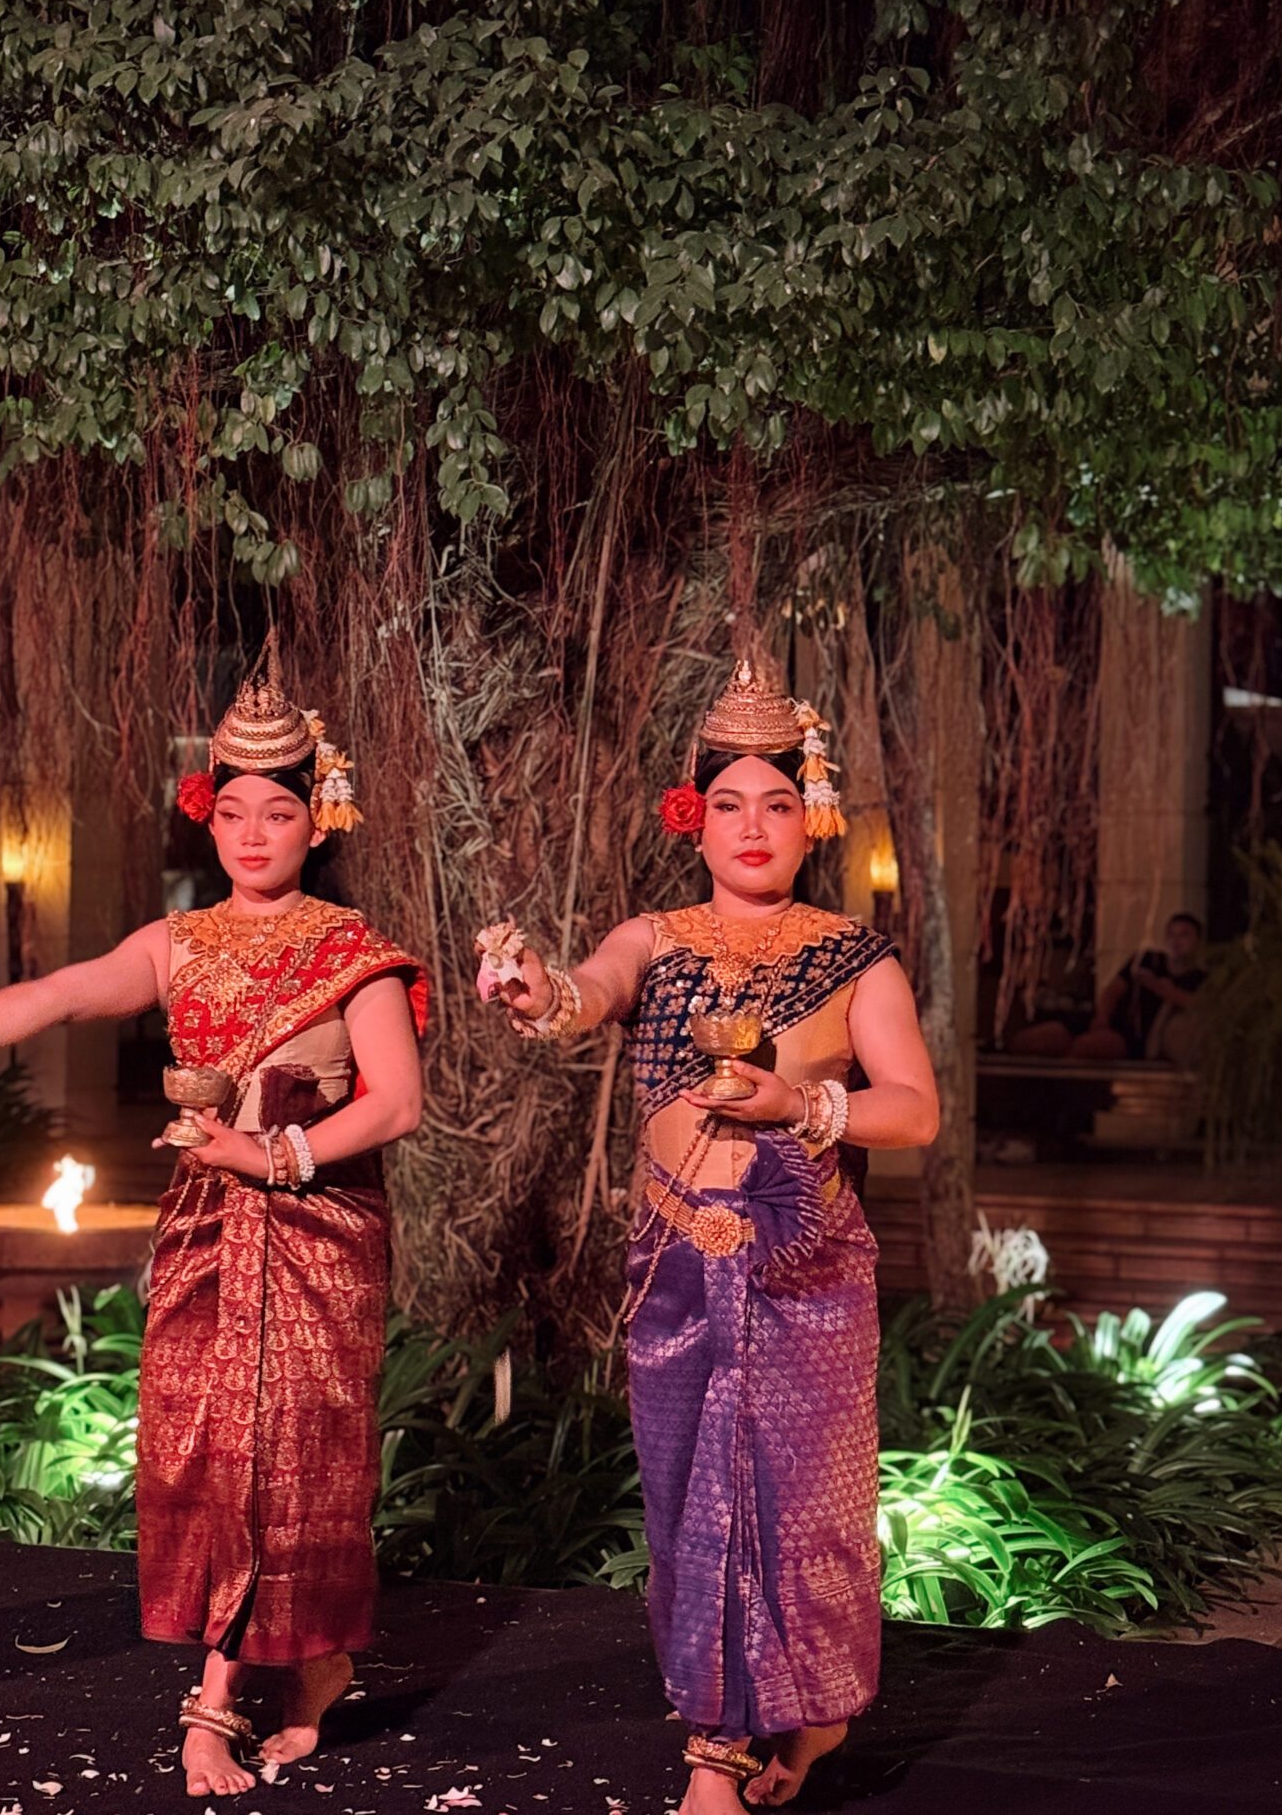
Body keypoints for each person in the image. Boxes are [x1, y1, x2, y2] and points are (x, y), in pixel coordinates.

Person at [0, 663, 426, 1800]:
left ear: (316, 818)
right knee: (203, 1455)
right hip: (203, 1230)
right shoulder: (179, 943)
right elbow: (58, 994)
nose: (253, 834)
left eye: (278, 811)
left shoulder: (352, 950)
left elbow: (394, 1103)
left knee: (292, 1460)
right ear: (208, 814)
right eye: (232, 810)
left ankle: (211, 1704)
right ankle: (316, 1665)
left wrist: (274, 1153)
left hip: (316, 1230)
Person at [478, 660, 938, 1813]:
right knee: (696, 1503)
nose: (752, 827)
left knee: (806, 1512)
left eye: (776, 804)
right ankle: (722, 1739)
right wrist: (534, 986)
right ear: (694, 818)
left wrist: (802, 1107)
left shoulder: (854, 958)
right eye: (728, 804)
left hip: (804, 1266)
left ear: (809, 818)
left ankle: (787, 1726)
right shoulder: (658, 937)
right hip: (679, 1262)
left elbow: (917, 1111)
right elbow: (583, 994)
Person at [1011, 912, 1207, 1063]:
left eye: (1184, 935)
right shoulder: (1147, 960)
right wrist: (1102, 1016)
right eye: (1171, 934)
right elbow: (1114, 990)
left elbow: (1199, 1005)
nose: (1176, 941)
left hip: (1131, 1036)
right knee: (1035, 1041)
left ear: (1197, 940)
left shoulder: (1199, 978)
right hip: (1103, 1020)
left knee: (1085, 1049)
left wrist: (1164, 990)